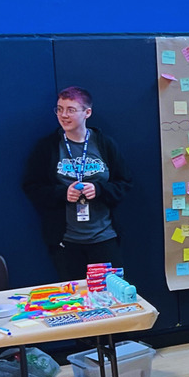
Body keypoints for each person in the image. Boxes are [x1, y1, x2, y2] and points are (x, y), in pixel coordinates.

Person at [22, 87, 132, 281]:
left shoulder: (105, 144)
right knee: (75, 301)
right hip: (66, 242)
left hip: (103, 238)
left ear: (87, 112)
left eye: (71, 109)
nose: (64, 115)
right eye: (59, 109)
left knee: (112, 298)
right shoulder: (47, 147)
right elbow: (32, 187)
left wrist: (99, 189)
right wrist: (62, 193)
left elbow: (124, 183)